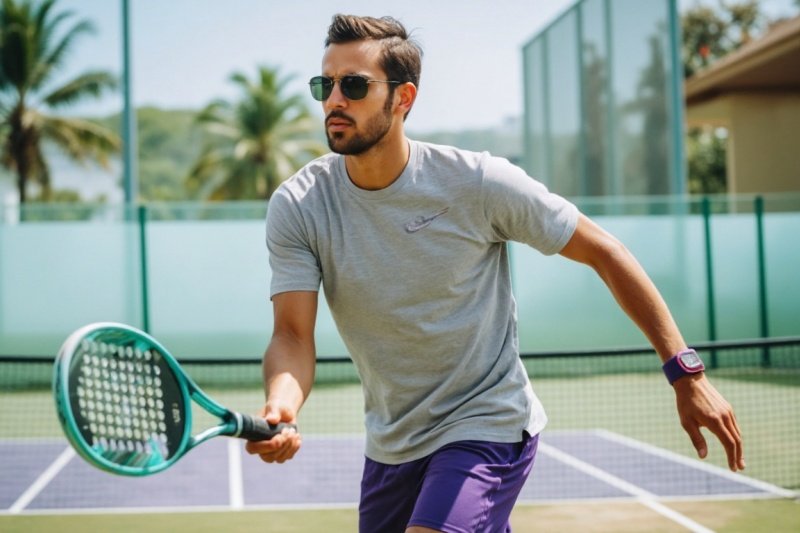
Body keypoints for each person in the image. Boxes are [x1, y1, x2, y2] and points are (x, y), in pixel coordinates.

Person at [246, 13, 744, 533]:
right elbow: (292, 334)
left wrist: (686, 373)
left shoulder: (477, 182)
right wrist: (282, 406)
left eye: (353, 85)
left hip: (486, 422)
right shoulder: (299, 204)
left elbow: (606, 251)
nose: (334, 100)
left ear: (403, 99)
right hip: (392, 443)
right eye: (325, 85)